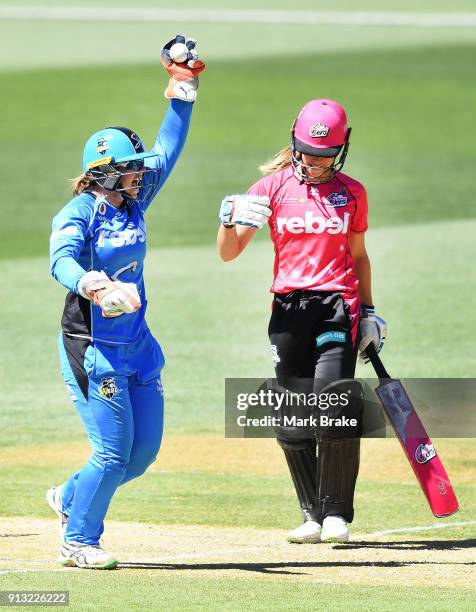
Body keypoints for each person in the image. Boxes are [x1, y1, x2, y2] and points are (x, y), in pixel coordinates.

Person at [47, 35, 205, 569]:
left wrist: (183, 89)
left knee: (139, 457)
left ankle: (69, 497)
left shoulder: (135, 198)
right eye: (132, 166)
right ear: (106, 169)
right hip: (94, 348)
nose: (142, 171)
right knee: (111, 453)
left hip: (137, 346)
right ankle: (79, 541)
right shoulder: (78, 214)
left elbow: (168, 148)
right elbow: (60, 262)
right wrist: (94, 284)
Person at [217, 99, 386, 544]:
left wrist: (368, 313)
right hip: (289, 312)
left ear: (342, 148)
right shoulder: (269, 189)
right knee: (292, 416)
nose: (313, 163)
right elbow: (229, 252)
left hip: (337, 305)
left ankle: (336, 514)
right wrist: (226, 220)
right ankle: (311, 515)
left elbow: (359, 255)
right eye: (306, 153)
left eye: (323, 156)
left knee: (334, 405)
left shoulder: (352, 192)